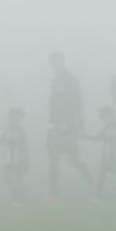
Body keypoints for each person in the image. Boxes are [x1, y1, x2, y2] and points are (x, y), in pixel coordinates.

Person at [46, 52, 93, 197]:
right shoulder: (54, 81)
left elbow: (78, 101)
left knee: (73, 160)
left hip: (68, 126)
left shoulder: (71, 79)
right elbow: (53, 105)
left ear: (62, 62)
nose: (54, 65)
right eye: (52, 63)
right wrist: (50, 124)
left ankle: (91, 183)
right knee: (53, 158)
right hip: (54, 126)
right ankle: (54, 192)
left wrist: (80, 123)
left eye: (56, 62)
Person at [86, 105, 116, 196]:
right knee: (103, 174)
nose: (102, 120)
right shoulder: (108, 126)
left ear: (109, 116)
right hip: (109, 154)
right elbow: (99, 138)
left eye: (103, 117)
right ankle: (97, 196)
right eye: (102, 118)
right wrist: (85, 136)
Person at [0, 106, 30, 202]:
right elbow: (0, 138)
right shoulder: (8, 129)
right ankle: (19, 197)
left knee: (16, 179)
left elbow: (24, 147)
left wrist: (25, 161)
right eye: (12, 116)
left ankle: (20, 198)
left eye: (16, 117)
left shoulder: (20, 131)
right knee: (8, 178)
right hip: (9, 159)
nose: (13, 119)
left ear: (19, 118)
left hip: (18, 160)